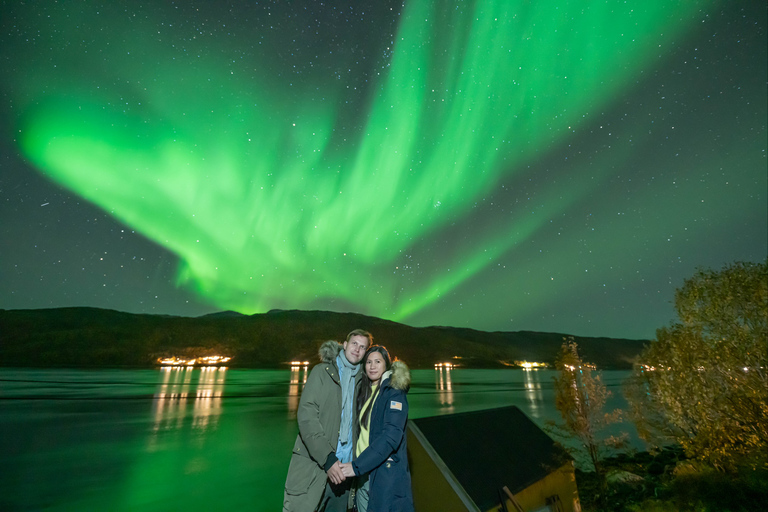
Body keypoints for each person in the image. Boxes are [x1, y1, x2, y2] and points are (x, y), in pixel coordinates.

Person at [283, 329, 372, 512]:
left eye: (363, 347)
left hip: (345, 474)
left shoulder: (363, 381)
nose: (357, 349)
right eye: (354, 343)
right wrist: (328, 459)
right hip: (315, 468)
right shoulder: (321, 372)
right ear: (345, 345)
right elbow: (307, 417)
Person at [340, 346, 414, 512]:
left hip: (381, 473)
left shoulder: (394, 392)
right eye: (368, 362)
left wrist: (356, 466)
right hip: (361, 473)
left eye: (377, 362)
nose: (372, 366)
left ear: (386, 365)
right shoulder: (363, 392)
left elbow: (391, 437)